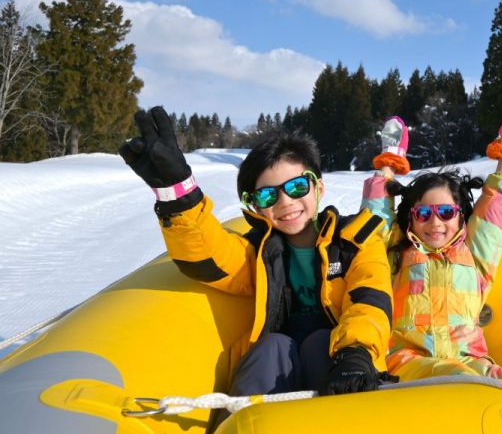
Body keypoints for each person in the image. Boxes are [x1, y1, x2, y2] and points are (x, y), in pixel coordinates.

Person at [119, 106, 395, 430]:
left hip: (341, 360)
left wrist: (358, 352)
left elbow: (369, 301)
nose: (285, 203)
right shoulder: (260, 252)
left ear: (318, 187)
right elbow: (207, 258)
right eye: (267, 195)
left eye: (296, 187)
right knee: (272, 347)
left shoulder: (355, 242)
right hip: (278, 369)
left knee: (321, 342)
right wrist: (177, 195)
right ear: (254, 206)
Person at [360, 108, 502, 380]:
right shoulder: (399, 254)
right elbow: (375, 222)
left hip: (469, 358)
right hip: (409, 360)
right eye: (424, 214)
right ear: (411, 220)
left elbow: (494, 217)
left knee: (494, 378)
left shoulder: (473, 256)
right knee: (455, 376)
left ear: (460, 215)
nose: (435, 222)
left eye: (446, 212)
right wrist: (387, 167)